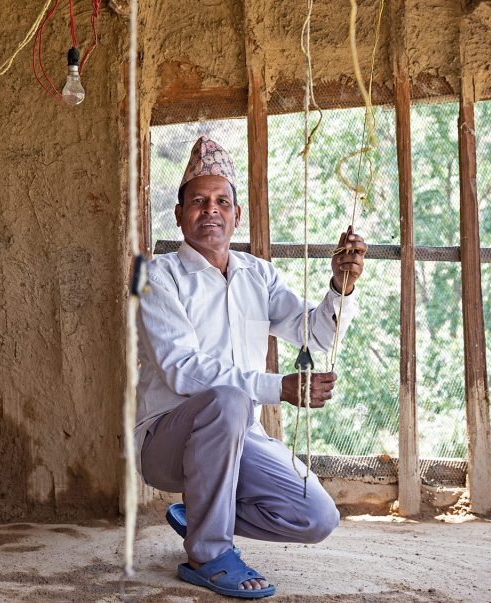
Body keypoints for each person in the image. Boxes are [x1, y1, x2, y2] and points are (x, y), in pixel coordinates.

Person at [135, 136, 368, 599]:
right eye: (198, 202)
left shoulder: (257, 274)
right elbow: (182, 369)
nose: (211, 211)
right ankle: (207, 552)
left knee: (317, 517)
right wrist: (276, 387)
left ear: (237, 216)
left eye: (222, 201)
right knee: (229, 399)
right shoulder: (158, 276)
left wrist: (341, 287)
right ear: (179, 214)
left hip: (240, 440)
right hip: (165, 442)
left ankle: (202, 512)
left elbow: (315, 334)